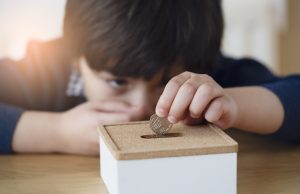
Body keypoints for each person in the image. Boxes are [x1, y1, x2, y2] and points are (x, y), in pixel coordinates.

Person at [0, 0, 299, 155]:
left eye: (164, 83)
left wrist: (235, 104)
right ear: (76, 58)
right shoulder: (46, 68)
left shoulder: (207, 74)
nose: (142, 107)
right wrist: (56, 132)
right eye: (118, 82)